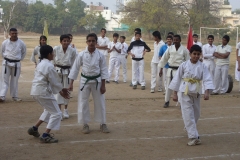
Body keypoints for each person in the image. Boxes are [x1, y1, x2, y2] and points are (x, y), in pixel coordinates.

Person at [169, 45, 214, 146]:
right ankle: (194, 137)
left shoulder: (202, 66)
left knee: (196, 114)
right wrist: (174, 94)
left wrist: (207, 92)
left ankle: (189, 127)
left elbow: (207, 79)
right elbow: (177, 79)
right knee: (188, 114)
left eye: (198, 54)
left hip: (197, 91)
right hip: (185, 92)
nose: (196, 56)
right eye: (194, 54)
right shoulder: (184, 65)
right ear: (190, 54)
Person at [68, 33, 110, 134]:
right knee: (83, 102)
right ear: (86, 42)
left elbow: (104, 70)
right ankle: (85, 124)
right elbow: (75, 69)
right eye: (89, 41)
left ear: (96, 42)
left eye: (93, 41)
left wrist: (103, 85)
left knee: (100, 102)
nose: (91, 43)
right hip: (84, 81)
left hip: (97, 81)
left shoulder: (100, 55)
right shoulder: (81, 54)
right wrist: (71, 83)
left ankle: (102, 123)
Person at [28, 45, 70, 143]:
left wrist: (60, 90)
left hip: (36, 91)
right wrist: (62, 90)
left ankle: (34, 128)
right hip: (43, 92)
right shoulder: (49, 66)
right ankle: (46, 134)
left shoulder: (40, 63)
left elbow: (53, 82)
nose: (54, 54)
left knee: (49, 110)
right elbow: (54, 82)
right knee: (57, 113)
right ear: (49, 54)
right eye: (52, 53)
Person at [159, 35, 190, 108]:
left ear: (180, 40)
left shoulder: (184, 50)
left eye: (177, 40)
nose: (175, 41)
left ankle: (180, 102)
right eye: (174, 40)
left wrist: (187, 72)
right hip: (170, 70)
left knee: (180, 87)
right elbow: (164, 58)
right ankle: (167, 101)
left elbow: (188, 61)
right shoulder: (170, 48)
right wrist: (160, 69)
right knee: (168, 87)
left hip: (180, 70)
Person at [53, 35, 77, 119]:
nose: (66, 42)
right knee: (58, 91)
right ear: (61, 42)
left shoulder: (73, 51)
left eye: (68, 41)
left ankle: (66, 110)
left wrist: (72, 79)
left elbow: (74, 64)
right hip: (58, 72)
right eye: (64, 41)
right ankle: (59, 111)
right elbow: (52, 60)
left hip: (68, 72)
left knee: (67, 91)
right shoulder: (55, 49)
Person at [0, 28, 26, 102]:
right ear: (10, 34)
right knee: (4, 80)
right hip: (6, 63)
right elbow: (2, 52)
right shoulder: (5, 42)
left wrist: (18, 59)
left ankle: (15, 96)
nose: (14, 35)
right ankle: (2, 96)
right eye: (13, 33)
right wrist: (7, 58)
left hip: (16, 63)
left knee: (14, 80)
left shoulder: (21, 43)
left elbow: (24, 53)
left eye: (15, 33)